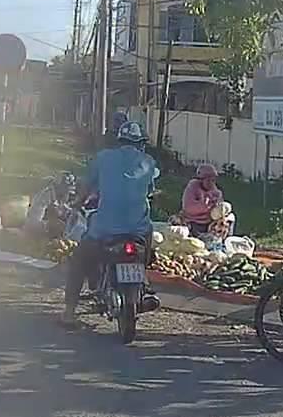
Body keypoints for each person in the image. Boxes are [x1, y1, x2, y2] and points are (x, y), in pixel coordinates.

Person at [60, 121, 160, 327]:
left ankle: (69, 312)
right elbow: (150, 190)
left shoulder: (103, 158)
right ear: (141, 143)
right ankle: (144, 282)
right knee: (148, 238)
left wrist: (78, 203)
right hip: (138, 229)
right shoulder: (149, 162)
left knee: (79, 260)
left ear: (119, 140)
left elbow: (87, 186)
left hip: (105, 229)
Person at [24, 171, 79, 239]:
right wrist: (49, 225)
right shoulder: (45, 196)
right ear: (59, 186)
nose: (69, 192)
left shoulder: (62, 197)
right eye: (68, 186)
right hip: (35, 235)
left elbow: (64, 210)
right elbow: (33, 222)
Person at [180, 164, 224, 237]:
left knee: (229, 218)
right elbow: (189, 208)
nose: (211, 183)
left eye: (213, 180)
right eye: (208, 180)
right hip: (195, 221)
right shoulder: (193, 187)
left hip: (210, 221)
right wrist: (208, 205)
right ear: (201, 179)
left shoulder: (214, 190)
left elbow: (219, 204)